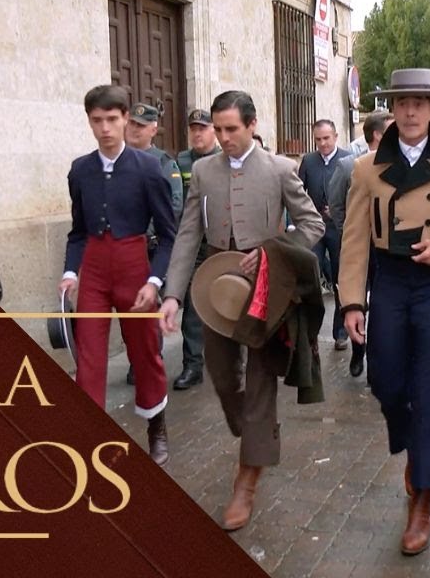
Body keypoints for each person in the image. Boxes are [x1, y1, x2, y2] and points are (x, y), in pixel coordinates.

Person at [338, 68, 430, 556]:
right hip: (389, 283)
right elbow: (355, 237)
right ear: (392, 108)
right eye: (402, 102)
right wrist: (351, 301)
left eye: (419, 103)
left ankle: (422, 496)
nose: (410, 111)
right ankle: (413, 446)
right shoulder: (366, 169)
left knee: (429, 388)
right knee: (385, 381)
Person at [160, 90, 324, 532]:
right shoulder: (203, 170)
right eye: (218, 129)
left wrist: (274, 251)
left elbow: (313, 225)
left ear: (252, 125)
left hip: (267, 291)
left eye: (231, 129)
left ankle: (246, 480)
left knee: (259, 385)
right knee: (218, 370)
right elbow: (188, 233)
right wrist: (173, 295)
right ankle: (253, 432)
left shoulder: (280, 169)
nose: (224, 137)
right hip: (216, 285)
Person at [60, 85, 176, 467]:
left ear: (126, 118)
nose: (105, 128)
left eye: (113, 119)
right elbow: (77, 231)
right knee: (89, 357)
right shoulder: (80, 170)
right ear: (89, 121)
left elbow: (169, 234)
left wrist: (155, 282)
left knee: (145, 352)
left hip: (133, 266)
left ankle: (156, 428)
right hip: (93, 267)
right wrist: (70, 272)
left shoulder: (148, 169)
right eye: (97, 120)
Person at [327, 111, 393, 378]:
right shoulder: (348, 165)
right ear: (377, 134)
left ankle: (379, 356)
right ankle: (357, 350)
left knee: (382, 302)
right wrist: (351, 232)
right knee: (354, 301)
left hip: (386, 250)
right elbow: (336, 204)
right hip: (358, 248)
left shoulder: (398, 164)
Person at [124, 102, 183, 386]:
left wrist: (143, 231)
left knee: (148, 307)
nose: (133, 130)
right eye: (131, 123)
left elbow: (173, 205)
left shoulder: (163, 163)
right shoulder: (115, 159)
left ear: (153, 129)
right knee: (126, 309)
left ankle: (150, 360)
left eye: (140, 125)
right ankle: (137, 359)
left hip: (149, 247)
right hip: (122, 250)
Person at [171, 108, 221, 391]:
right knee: (192, 307)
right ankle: (193, 365)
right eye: (193, 129)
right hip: (192, 245)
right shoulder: (181, 161)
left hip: (220, 243)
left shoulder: (222, 160)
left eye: (203, 128)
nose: (197, 133)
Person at [297, 119, 350, 351]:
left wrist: (339, 209)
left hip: (340, 230)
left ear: (335, 136)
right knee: (311, 276)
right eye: (318, 139)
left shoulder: (348, 160)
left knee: (340, 279)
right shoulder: (308, 161)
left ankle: (340, 331)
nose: (322, 143)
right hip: (315, 229)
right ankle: (311, 332)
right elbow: (298, 192)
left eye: (326, 138)